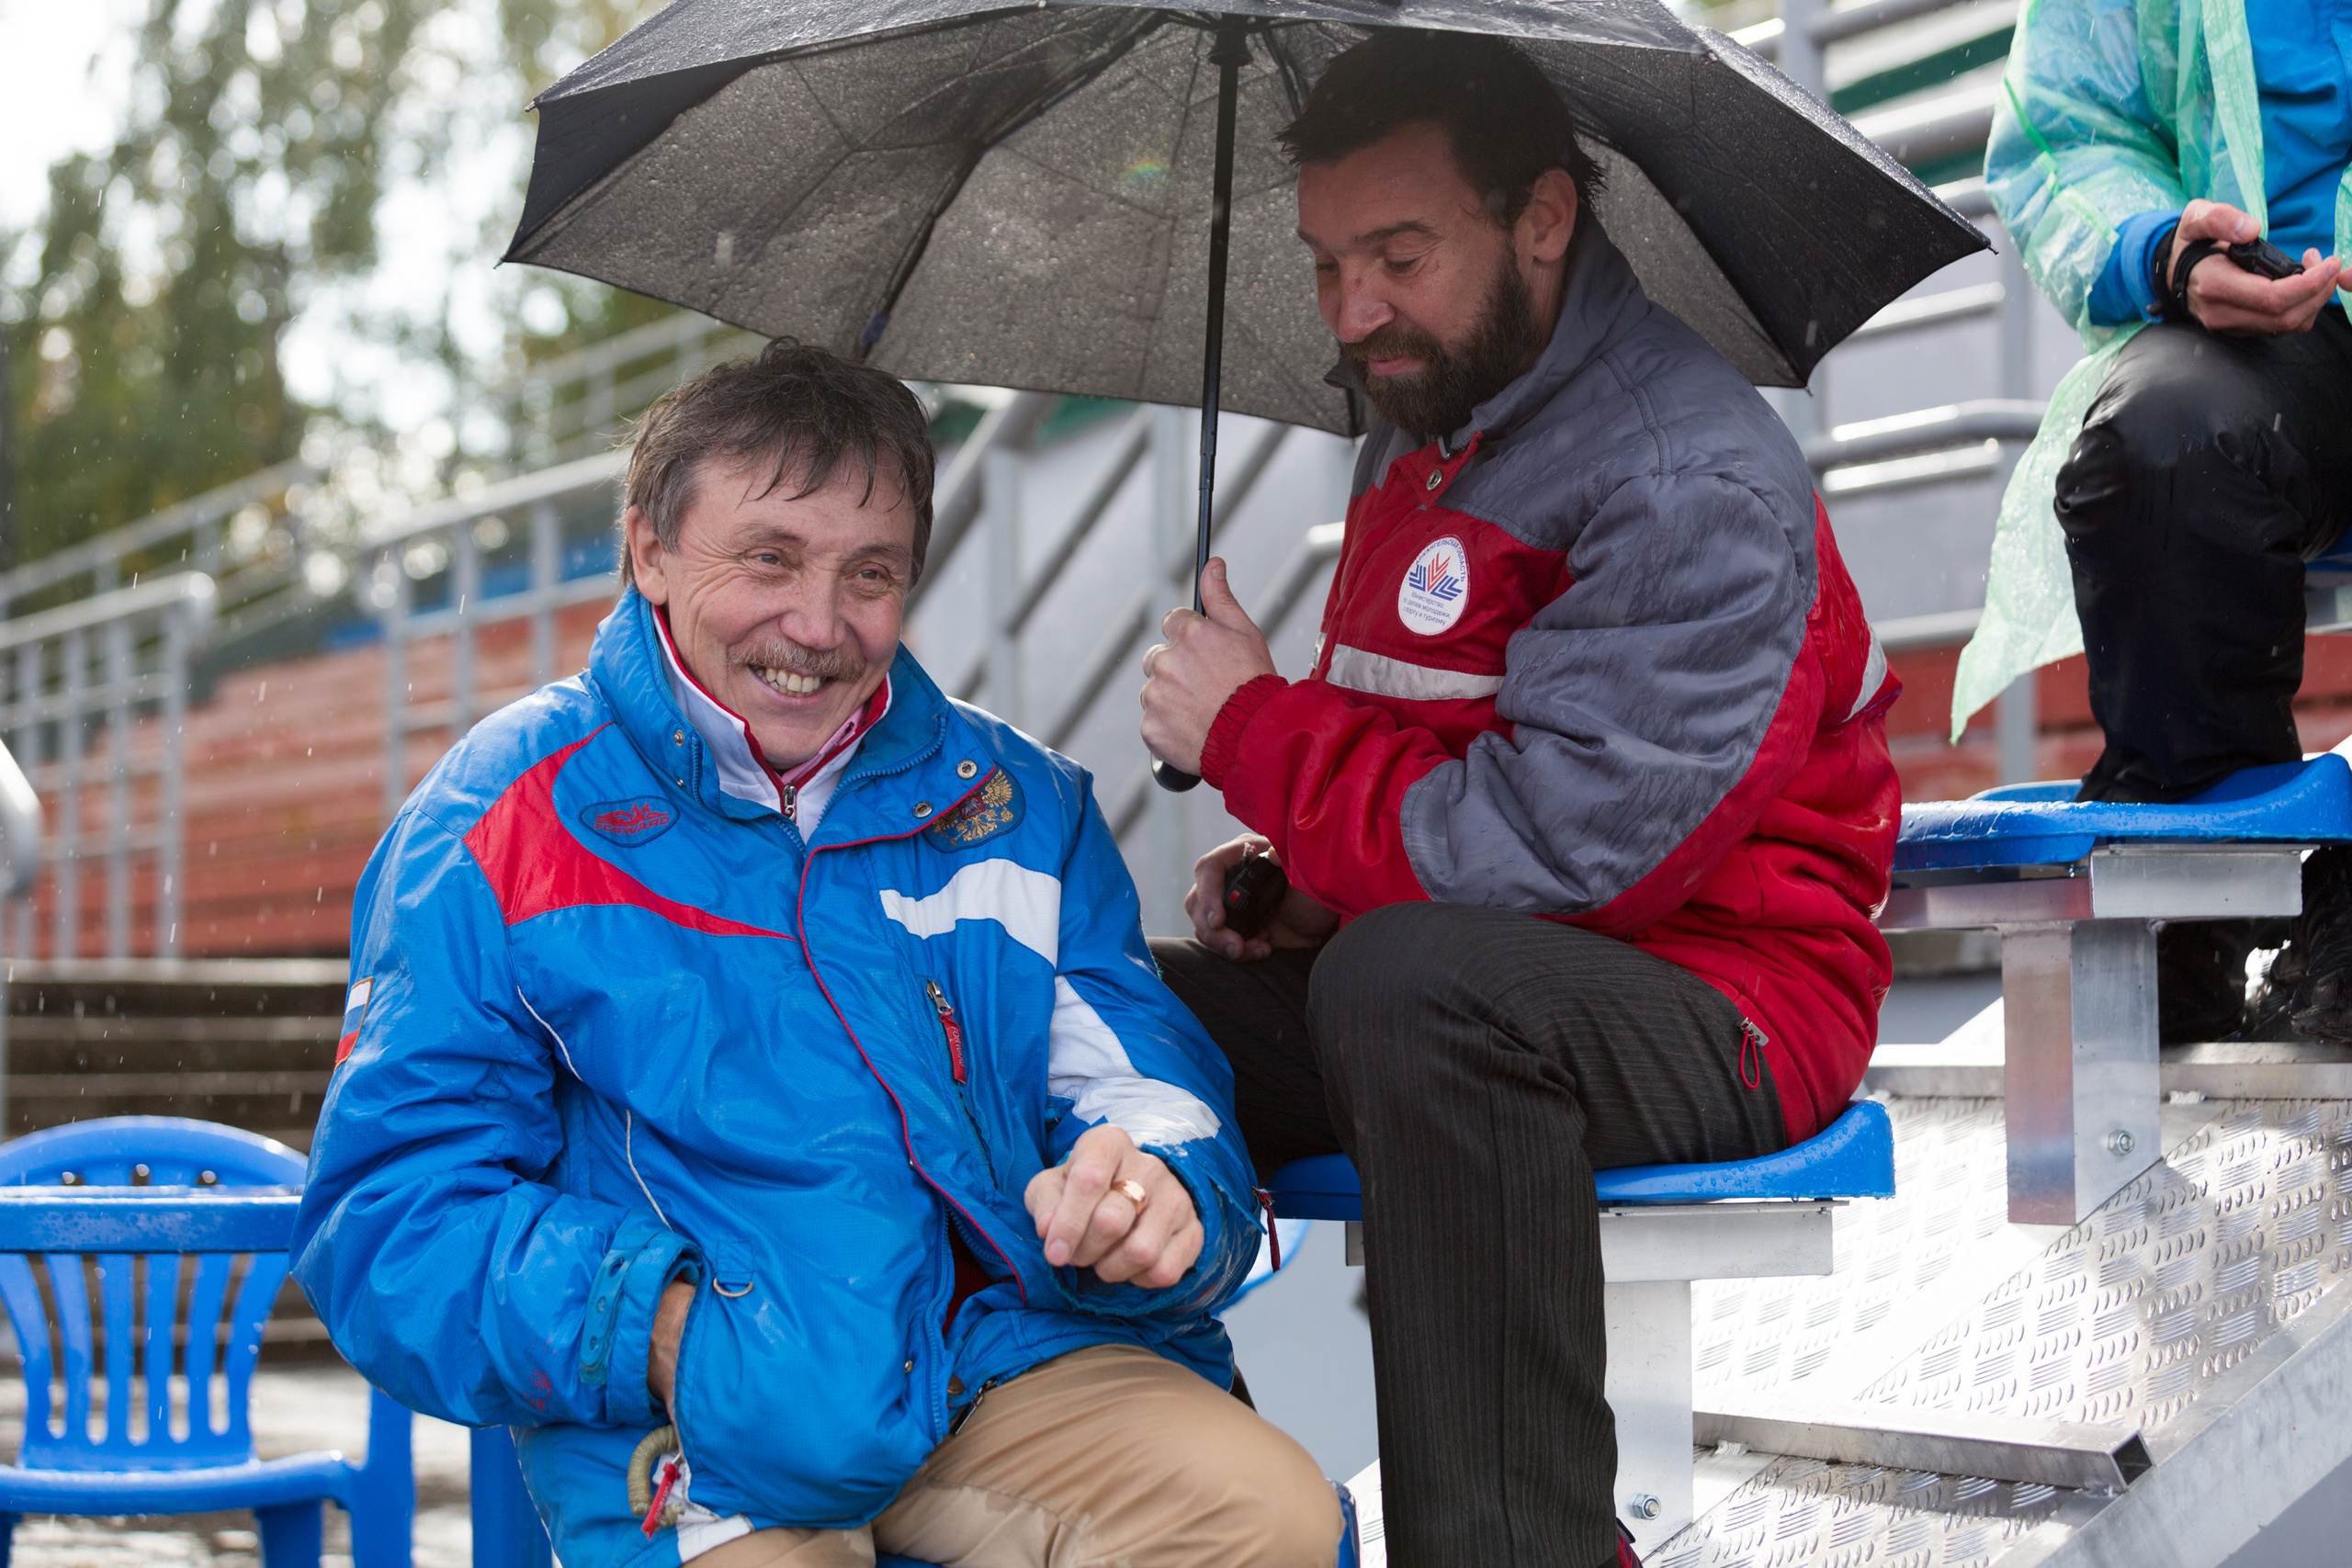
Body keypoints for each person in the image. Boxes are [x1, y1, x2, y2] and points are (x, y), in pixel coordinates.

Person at [292, 342, 1341, 1568]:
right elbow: (390, 1216)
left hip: (999, 1363)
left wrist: (1158, 1187)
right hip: (690, 1418)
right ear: (649, 549)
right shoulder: (497, 820)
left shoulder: (1021, 802)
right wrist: (667, 1326)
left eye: (870, 572)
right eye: (770, 557)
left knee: (1271, 1515)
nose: (818, 624)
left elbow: (1140, 1077)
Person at [1136, 32, 1900, 1568]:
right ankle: (1144, 1507)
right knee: (1078, 1005)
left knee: (1418, 985)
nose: (1355, 314)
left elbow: (1554, 859)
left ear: (1544, 215)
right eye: (1327, 262)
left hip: (1736, 999)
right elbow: (1433, 769)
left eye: (1399, 256)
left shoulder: (1689, 475)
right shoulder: (1428, 423)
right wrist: (1299, 878)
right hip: (1478, 973)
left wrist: (1260, 732)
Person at [1978, 0, 2352, 1041]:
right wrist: (2167, 255)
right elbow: (2068, 123)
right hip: (2287, 329)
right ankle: (2204, 893)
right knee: (2158, 442)